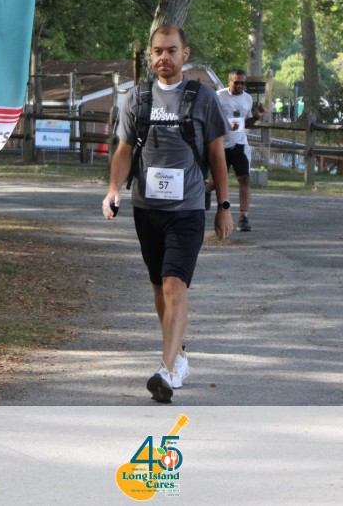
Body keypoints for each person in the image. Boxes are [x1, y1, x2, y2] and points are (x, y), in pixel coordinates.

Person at [102, 24, 232, 403]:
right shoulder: (137, 98)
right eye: (158, 51)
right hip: (147, 209)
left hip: (187, 209)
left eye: (172, 50)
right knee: (160, 289)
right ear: (150, 54)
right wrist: (113, 190)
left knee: (175, 285)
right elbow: (124, 150)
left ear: (185, 54)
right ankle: (179, 356)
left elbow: (217, 155)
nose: (164, 57)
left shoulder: (203, 98)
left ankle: (166, 369)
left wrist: (224, 207)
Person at [211, 70, 266, 231]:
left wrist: (256, 117)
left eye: (243, 83)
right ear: (229, 81)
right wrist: (227, 125)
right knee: (217, 181)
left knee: (245, 179)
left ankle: (243, 217)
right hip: (220, 145)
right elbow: (210, 120)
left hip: (239, 144)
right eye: (236, 82)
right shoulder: (218, 96)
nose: (240, 86)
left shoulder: (247, 98)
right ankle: (204, 191)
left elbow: (246, 123)